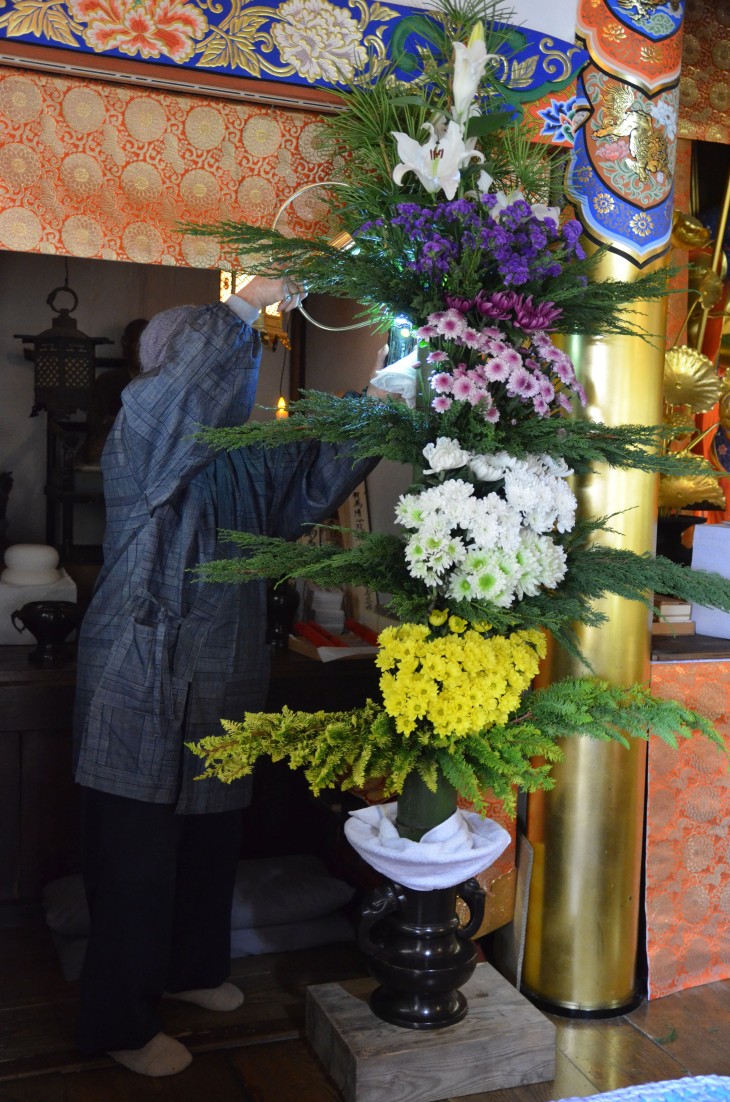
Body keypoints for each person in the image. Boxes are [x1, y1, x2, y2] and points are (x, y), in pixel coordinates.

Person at [72, 276, 376, 1077]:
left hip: (222, 663)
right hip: (139, 668)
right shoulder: (143, 426)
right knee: (135, 852)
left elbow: (306, 493)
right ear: (176, 367)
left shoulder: (239, 455)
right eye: (228, 350)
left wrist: (382, 400)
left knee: (210, 835)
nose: (243, 367)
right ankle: (118, 1020)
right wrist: (248, 302)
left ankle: (193, 970)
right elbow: (185, 389)